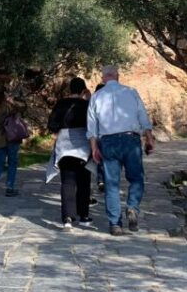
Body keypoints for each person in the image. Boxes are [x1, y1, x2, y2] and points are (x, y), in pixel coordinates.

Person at [87, 65, 155, 235]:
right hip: (130, 140)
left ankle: (115, 224)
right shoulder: (131, 92)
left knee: (111, 183)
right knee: (137, 178)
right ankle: (132, 207)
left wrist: (94, 148)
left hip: (108, 142)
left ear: (103, 79)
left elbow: (92, 127)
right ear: (117, 76)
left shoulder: (96, 97)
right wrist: (149, 138)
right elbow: (143, 117)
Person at [46, 77, 93, 229]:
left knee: (67, 181)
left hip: (64, 146)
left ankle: (67, 217)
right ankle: (83, 216)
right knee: (84, 181)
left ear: (69, 89)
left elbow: (51, 125)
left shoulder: (60, 104)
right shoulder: (87, 105)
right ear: (83, 90)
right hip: (83, 146)